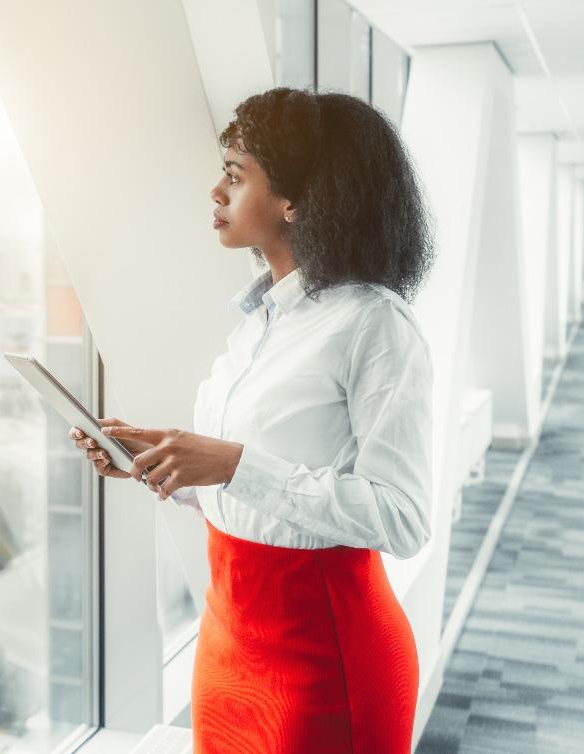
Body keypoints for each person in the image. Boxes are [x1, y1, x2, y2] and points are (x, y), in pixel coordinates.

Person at [69, 87, 435, 753]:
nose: (215, 191)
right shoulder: (261, 321)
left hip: (324, 661)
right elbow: (248, 497)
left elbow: (402, 518)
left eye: (235, 176)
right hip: (227, 643)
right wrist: (166, 464)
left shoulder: (374, 323)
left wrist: (234, 464)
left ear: (295, 200)